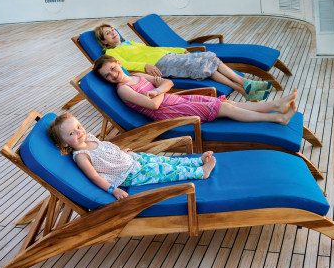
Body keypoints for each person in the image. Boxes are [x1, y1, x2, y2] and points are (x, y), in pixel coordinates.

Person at [47, 112, 216, 200]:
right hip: (129, 175)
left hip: (132, 159)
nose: (79, 132)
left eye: (78, 126)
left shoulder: (89, 137)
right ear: (64, 144)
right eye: (71, 133)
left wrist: (122, 153)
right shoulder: (82, 156)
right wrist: (113, 190)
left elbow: (105, 151)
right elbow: (94, 177)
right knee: (164, 172)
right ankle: (200, 173)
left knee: (165, 160)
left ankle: (195, 162)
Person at [93, 55, 298, 126]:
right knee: (224, 109)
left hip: (173, 100)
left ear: (118, 63)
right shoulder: (124, 90)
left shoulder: (138, 76)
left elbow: (167, 83)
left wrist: (158, 90)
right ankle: (276, 118)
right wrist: (159, 92)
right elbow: (155, 104)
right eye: (107, 76)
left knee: (226, 103)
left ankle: (275, 105)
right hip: (169, 112)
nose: (112, 75)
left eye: (113, 69)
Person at [93, 22, 271, 100]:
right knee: (205, 64)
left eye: (113, 29)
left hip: (169, 57)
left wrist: (179, 50)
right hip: (161, 66)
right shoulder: (111, 53)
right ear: (104, 42)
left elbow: (153, 49)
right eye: (108, 33)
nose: (113, 33)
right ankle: (245, 86)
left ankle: (244, 86)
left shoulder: (130, 43)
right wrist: (145, 66)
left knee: (211, 57)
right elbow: (124, 66)